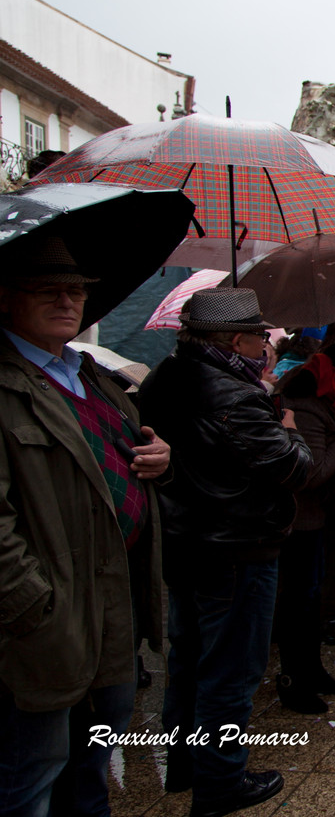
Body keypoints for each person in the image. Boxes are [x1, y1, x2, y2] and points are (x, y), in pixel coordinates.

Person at [0, 236, 169, 817]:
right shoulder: (5, 384)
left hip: (112, 608)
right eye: (46, 288)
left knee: (90, 768)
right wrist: (33, 608)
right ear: (5, 297)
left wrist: (158, 459)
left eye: (74, 289)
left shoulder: (93, 377)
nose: (66, 300)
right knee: (30, 779)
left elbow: (123, 463)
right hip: (46, 619)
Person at [138, 287, 313, 816]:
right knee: (230, 672)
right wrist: (290, 428)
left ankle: (186, 767)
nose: (267, 344)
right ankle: (219, 782)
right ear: (237, 340)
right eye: (260, 336)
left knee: (189, 660)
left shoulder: (165, 377)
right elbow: (294, 469)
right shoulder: (236, 395)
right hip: (237, 546)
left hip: (185, 540)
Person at [273, 341, 335, 714]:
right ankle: (293, 679)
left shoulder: (328, 401)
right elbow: (311, 472)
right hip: (300, 520)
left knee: (312, 597)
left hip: (319, 519)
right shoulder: (307, 408)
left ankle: (311, 669)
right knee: (299, 599)